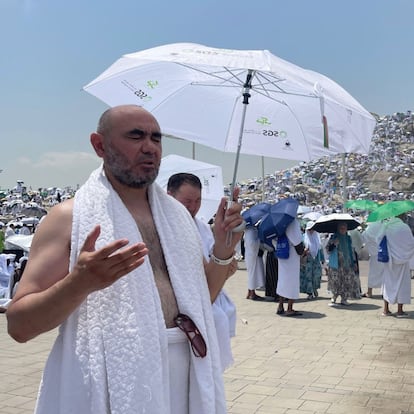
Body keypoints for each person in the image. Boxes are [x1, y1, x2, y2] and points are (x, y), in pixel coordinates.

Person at [6, 105, 244, 414]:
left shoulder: (178, 219)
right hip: (108, 386)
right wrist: (80, 283)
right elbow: (19, 326)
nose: (150, 147)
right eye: (136, 136)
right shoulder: (70, 218)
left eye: (156, 138)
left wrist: (223, 252)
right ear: (99, 145)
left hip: (186, 380)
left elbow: (202, 299)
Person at [167, 172, 237, 371]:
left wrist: (224, 267)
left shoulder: (203, 227)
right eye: (187, 201)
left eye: (197, 200)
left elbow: (214, 260)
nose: (193, 206)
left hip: (210, 298)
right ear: (170, 196)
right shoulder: (162, 227)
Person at [381, 214, 414, 317]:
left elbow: (379, 240)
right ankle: (400, 311)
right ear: (402, 216)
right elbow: (411, 243)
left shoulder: (386, 226)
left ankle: (386, 309)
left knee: (387, 283)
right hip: (403, 261)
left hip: (389, 261)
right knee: (402, 285)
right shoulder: (404, 227)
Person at [276, 217, 305, 316]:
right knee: (292, 281)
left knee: (282, 280)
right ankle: (289, 308)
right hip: (291, 254)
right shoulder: (292, 222)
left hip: (281, 251)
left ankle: (280, 306)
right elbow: (296, 240)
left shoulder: (279, 221)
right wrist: (302, 252)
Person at [327, 222, 360, 306]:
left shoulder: (348, 238)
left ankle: (344, 298)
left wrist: (354, 262)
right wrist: (334, 244)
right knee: (336, 281)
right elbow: (328, 250)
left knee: (346, 280)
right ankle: (334, 297)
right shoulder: (334, 237)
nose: (343, 230)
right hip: (336, 262)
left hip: (347, 262)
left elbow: (351, 250)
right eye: (341, 228)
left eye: (344, 228)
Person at [361, 220, 386, 298]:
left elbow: (364, 236)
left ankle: (369, 292)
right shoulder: (384, 226)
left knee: (372, 273)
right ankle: (384, 292)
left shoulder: (371, 227)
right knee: (384, 273)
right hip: (383, 252)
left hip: (374, 254)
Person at [300, 221, 324, 300]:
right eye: (309, 229)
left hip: (316, 260)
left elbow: (320, 249)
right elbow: (300, 249)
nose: (311, 231)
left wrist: (323, 259)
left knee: (316, 275)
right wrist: (304, 251)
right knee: (308, 276)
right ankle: (309, 292)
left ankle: (314, 288)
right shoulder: (303, 238)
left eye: (312, 229)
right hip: (307, 260)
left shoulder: (317, 237)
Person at [243, 225, 265, 300]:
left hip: (250, 254)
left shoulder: (247, 230)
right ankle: (252, 293)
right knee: (252, 273)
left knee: (251, 273)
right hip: (252, 254)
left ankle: (250, 292)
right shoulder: (251, 231)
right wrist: (259, 241)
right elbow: (253, 244)